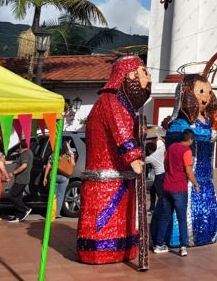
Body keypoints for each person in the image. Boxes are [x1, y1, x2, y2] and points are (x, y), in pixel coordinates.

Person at [77, 54, 151, 264]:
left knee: (123, 220)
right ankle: (100, 251)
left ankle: (123, 247)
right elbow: (121, 132)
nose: (149, 79)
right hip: (107, 179)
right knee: (106, 218)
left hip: (119, 178)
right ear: (128, 75)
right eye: (144, 72)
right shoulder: (111, 101)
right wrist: (134, 156)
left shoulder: (124, 104)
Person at [163, 73, 217, 250]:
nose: (206, 96)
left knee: (208, 211)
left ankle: (207, 235)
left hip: (206, 179)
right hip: (185, 180)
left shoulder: (211, 121)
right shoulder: (181, 122)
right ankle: (178, 239)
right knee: (182, 212)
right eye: (201, 91)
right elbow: (183, 133)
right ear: (186, 94)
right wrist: (211, 135)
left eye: (209, 92)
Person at [153, 129, 198, 255]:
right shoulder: (187, 151)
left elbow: (165, 164)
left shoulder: (171, 147)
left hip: (167, 187)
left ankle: (159, 244)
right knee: (182, 218)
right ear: (190, 140)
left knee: (165, 217)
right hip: (179, 188)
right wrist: (196, 184)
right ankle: (183, 246)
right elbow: (189, 171)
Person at [42, 140, 76, 218]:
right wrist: (71, 156)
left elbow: (48, 166)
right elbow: (73, 164)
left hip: (53, 175)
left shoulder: (54, 155)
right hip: (64, 177)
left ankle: (50, 213)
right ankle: (56, 214)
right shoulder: (68, 155)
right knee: (60, 196)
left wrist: (45, 178)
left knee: (52, 195)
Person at [5, 138, 34, 223]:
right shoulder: (28, 153)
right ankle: (18, 216)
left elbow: (24, 165)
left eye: (19, 147)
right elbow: (16, 162)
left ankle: (24, 209)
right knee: (18, 197)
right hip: (22, 179)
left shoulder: (25, 154)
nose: (18, 149)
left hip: (21, 179)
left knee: (12, 195)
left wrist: (13, 173)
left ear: (21, 146)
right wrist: (5, 162)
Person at [145, 136, 165, 213]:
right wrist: (160, 138)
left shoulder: (150, 158)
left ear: (149, 150)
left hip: (159, 175)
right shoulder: (160, 150)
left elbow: (142, 160)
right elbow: (164, 145)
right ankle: (153, 207)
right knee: (153, 191)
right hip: (163, 173)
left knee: (159, 193)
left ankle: (162, 209)